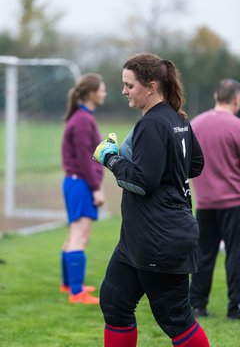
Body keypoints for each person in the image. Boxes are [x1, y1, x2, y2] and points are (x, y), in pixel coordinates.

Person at [93, 53, 210, 347]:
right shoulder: (177, 117)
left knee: (176, 318)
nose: (124, 91)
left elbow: (142, 181)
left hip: (159, 238)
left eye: (129, 85)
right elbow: (193, 165)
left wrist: (110, 158)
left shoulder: (153, 123)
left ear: (151, 86)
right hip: (139, 237)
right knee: (115, 303)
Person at [190, 79, 240, 319]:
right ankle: (236, 307)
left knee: (202, 256)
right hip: (234, 203)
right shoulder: (236, 126)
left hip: (205, 203)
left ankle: (197, 305)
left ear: (215, 95)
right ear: (236, 99)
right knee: (236, 255)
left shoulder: (195, 124)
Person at [60, 73, 106, 304]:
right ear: (91, 93)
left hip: (76, 182)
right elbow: (85, 158)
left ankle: (68, 284)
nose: (105, 93)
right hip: (80, 183)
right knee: (80, 235)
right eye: (102, 89)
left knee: (74, 234)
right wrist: (96, 187)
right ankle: (77, 293)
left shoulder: (82, 118)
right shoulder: (82, 120)